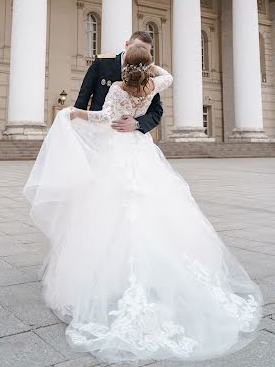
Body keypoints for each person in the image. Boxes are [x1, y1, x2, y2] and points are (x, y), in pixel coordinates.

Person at [23, 44, 262, 364]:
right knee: (153, 211)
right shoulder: (154, 84)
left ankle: (112, 277)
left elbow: (103, 119)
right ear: (147, 66)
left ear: (125, 66)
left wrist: (73, 113)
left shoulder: (120, 89)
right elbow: (169, 76)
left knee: (109, 213)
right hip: (141, 151)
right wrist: (151, 70)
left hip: (117, 152)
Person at [75, 30, 162, 134]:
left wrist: (137, 124)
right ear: (126, 45)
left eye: (145, 51)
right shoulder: (102, 63)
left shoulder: (148, 75)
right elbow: (82, 100)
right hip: (98, 132)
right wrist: (78, 131)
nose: (140, 53)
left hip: (130, 137)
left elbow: (156, 111)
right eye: (137, 48)